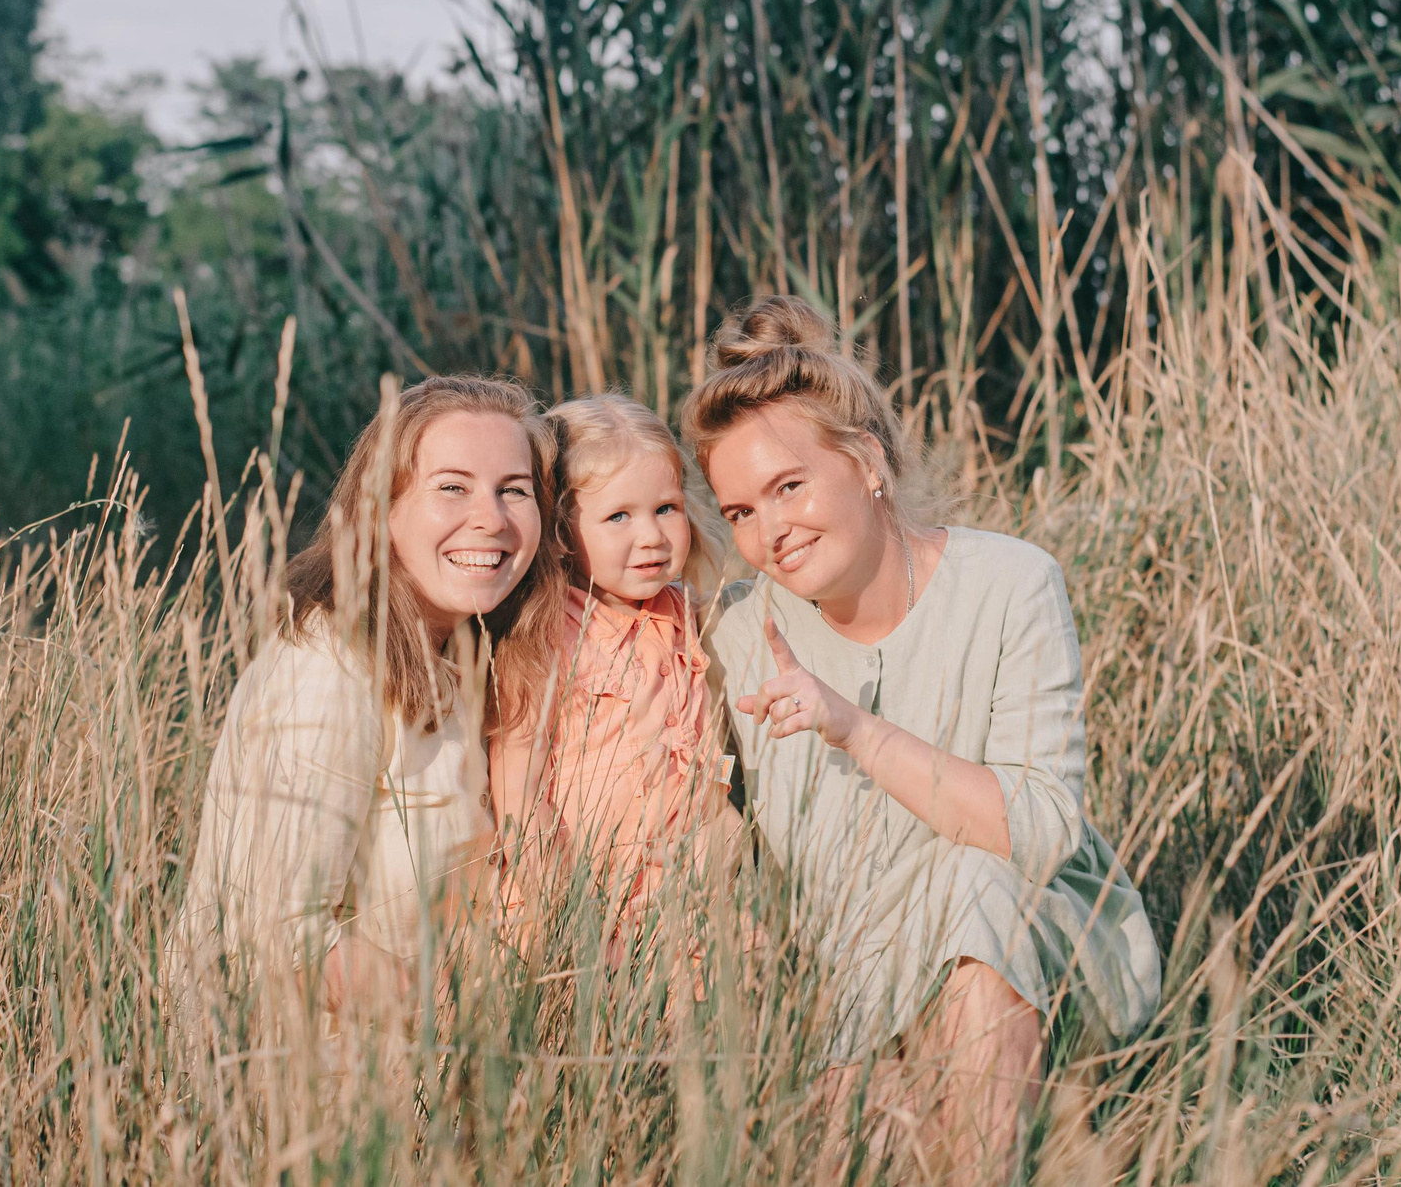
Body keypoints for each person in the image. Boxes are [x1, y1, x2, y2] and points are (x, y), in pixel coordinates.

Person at [688, 297, 1160, 1169]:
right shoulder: (739, 638)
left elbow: (1042, 829)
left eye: (789, 486)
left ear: (866, 459)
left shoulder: (1010, 584)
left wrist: (855, 728)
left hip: (1039, 959)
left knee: (978, 885)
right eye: (742, 511)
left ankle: (1059, 1106)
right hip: (859, 992)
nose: (771, 534)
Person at [171, 375, 565, 1038]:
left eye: (514, 491)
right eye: (452, 487)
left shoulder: (465, 652)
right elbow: (278, 931)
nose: (491, 518)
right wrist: (468, 1024)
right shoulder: (331, 665)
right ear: (382, 506)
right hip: (309, 1091)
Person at [486, 394, 743, 957]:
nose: (651, 536)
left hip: (687, 896)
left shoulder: (685, 614)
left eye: (666, 508)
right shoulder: (547, 634)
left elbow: (698, 740)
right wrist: (563, 913)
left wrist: (725, 825)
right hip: (588, 904)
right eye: (618, 517)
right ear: (559, 533)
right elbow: (518, 793)